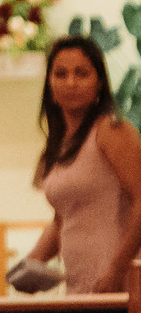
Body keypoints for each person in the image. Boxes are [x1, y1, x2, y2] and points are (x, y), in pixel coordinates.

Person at [25, 35, 141, 294]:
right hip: (79, 282)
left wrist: (117, 269)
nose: (71, 83)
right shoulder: (57, 145)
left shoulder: (113, 130)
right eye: (61, 74)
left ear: (99, 83)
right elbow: (63, 219)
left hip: (118, 281)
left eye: (81, 73)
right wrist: (31, 265)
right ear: (50, 84)